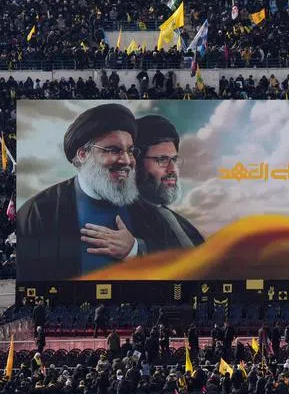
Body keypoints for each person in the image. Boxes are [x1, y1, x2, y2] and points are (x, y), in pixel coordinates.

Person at [16, 103, 192, 280]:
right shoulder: (38, 213)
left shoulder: (151, 213)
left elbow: (181, 265)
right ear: (83, 154)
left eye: (130, 151)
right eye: (113, 150)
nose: (126, 160)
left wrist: (134, 249)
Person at [134, 115, 205, 247]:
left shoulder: (185, 226)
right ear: (136, 163)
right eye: (162, 159)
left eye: (174, 160)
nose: (172, 169)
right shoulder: (123, 219)